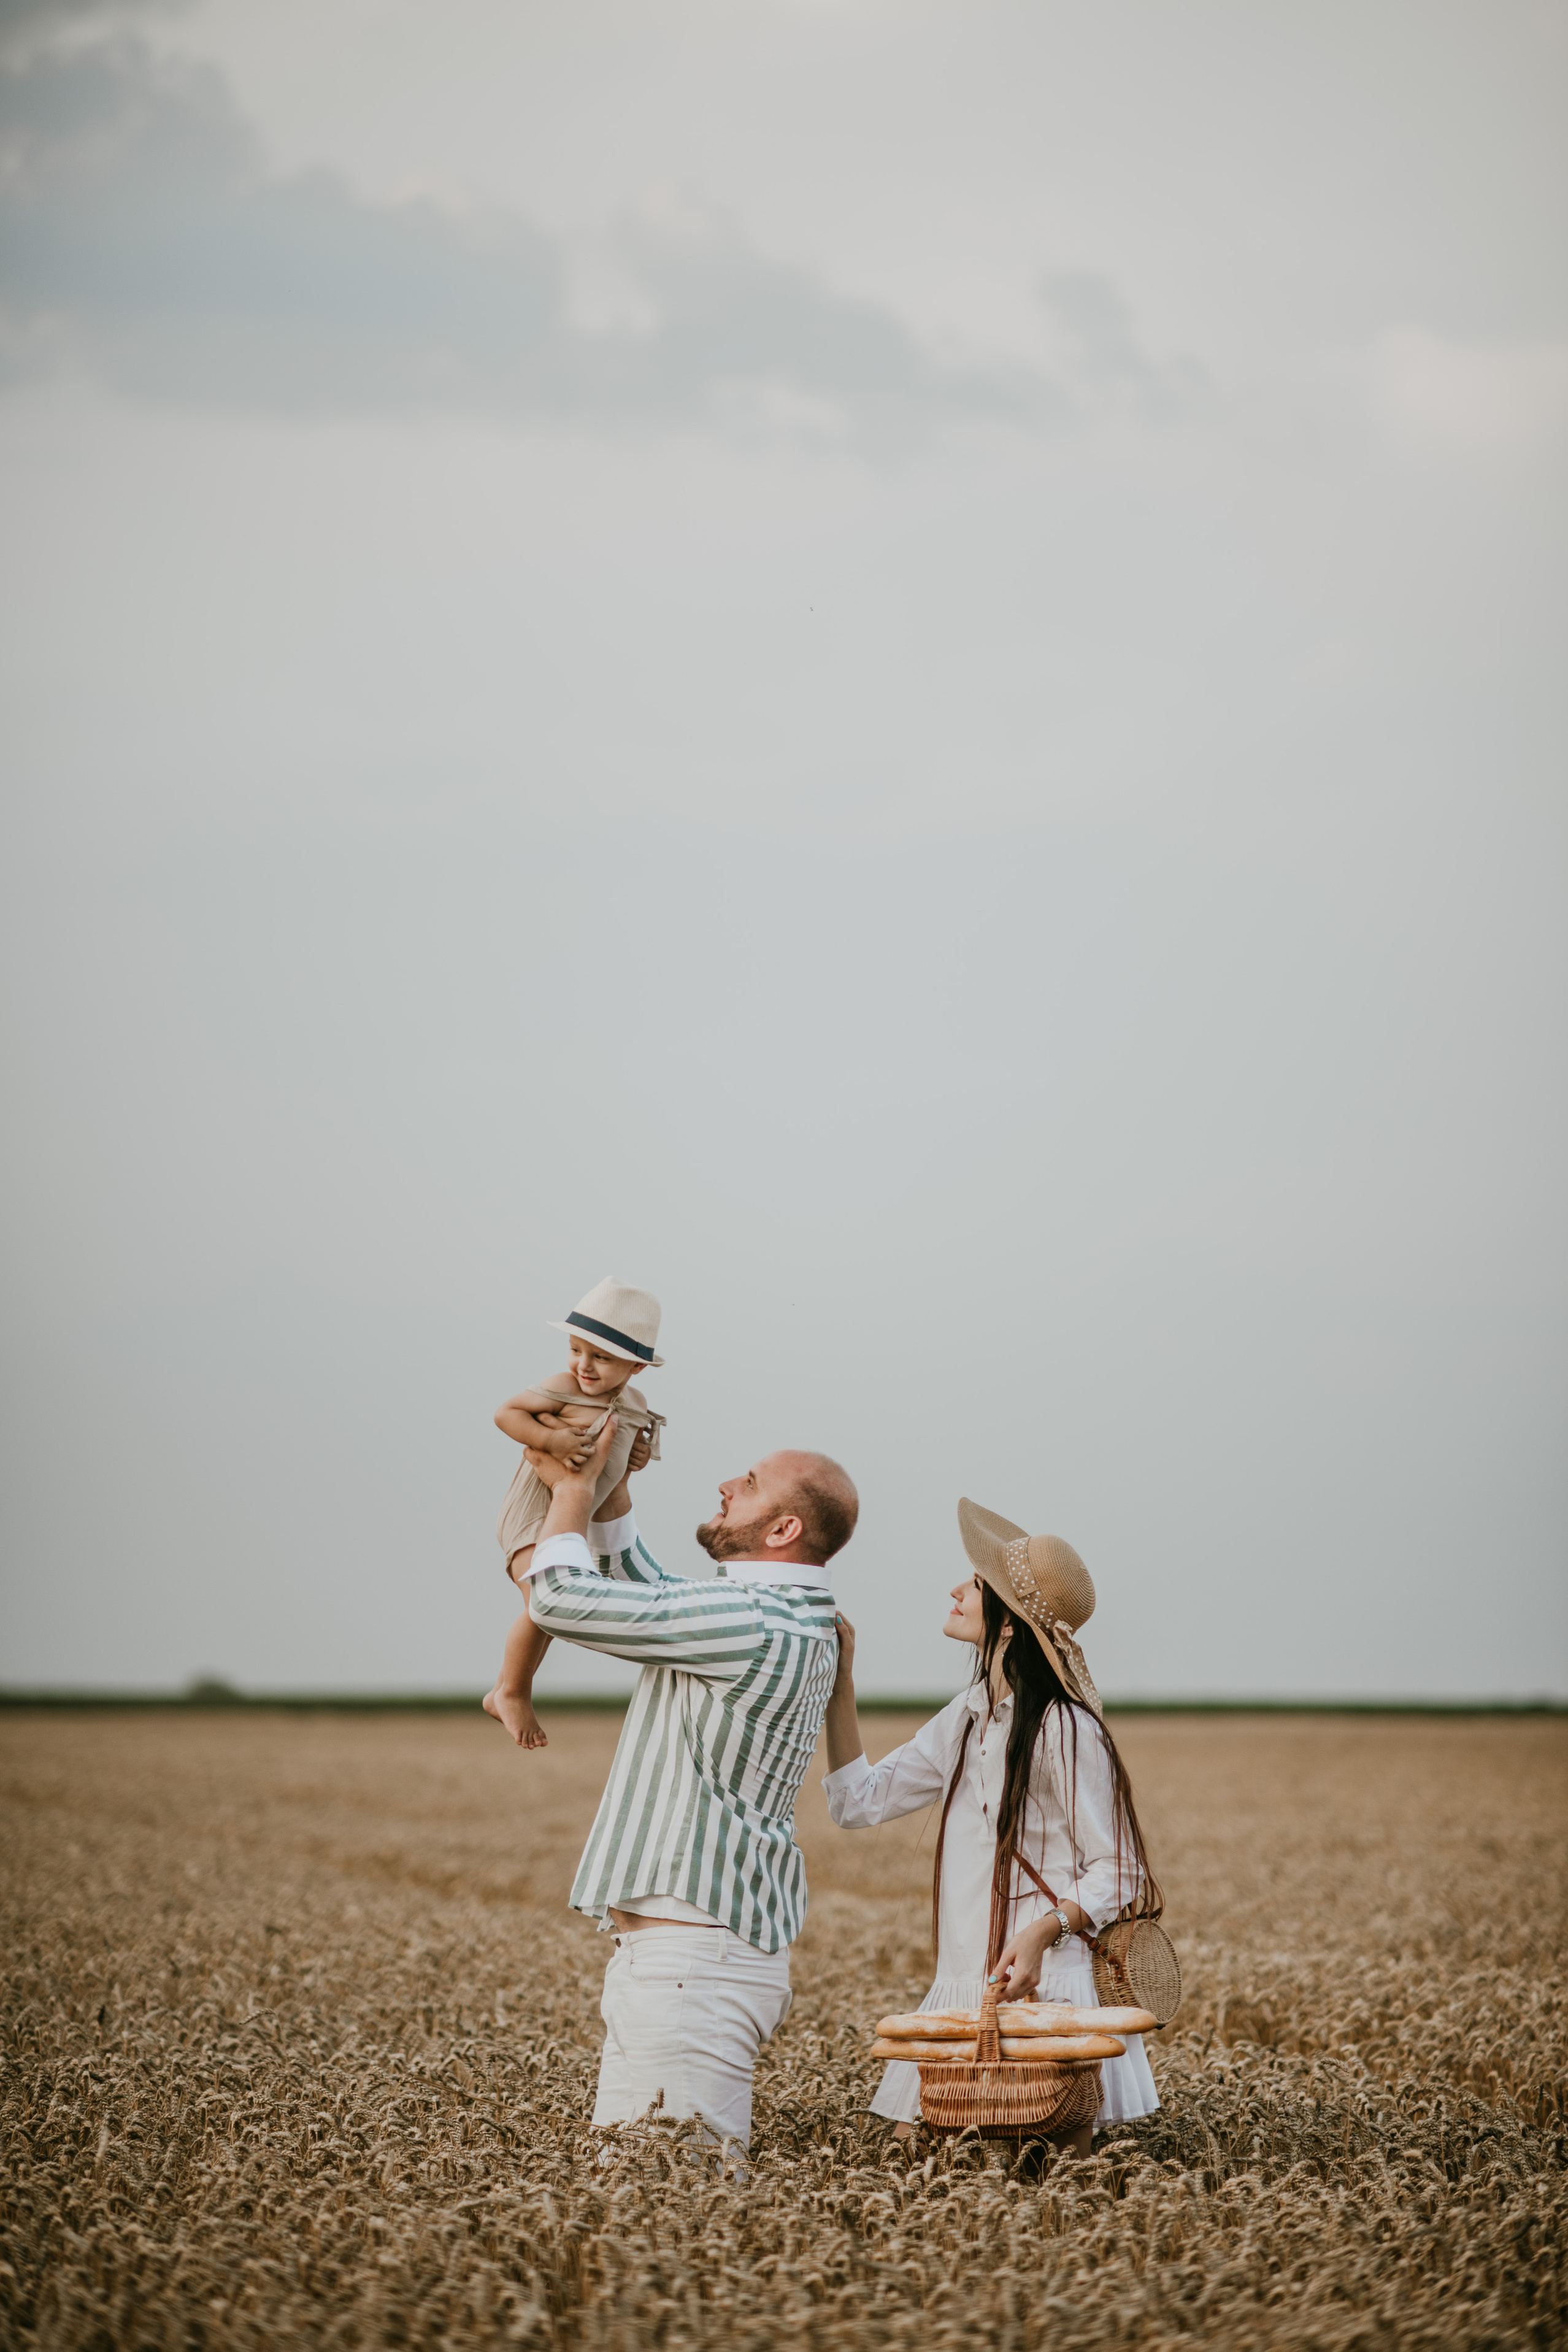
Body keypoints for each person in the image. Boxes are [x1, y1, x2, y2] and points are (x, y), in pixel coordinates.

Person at [512, 1413, 859, 2152]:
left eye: (752, 1483)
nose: (728, 1484)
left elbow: (560, 1600)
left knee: (663, 2210)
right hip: (690, 1962)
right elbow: (655, 1593)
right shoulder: (785, 1613)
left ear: (783, 1529)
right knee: (646, 2206)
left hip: (688, 1973)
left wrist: (573, 1489)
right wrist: (615, 1489)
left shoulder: (751, 1617)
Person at [823, 1496, 1161, 2157]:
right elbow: (856, 1803)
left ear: (1009, 1625)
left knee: (1052, 2187)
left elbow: (1121, 1869)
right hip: (961, 1990)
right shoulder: (968, 1715)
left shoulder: (1066, 1728)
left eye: (974, 1585)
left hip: (1047, 1989)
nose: (955, 1589)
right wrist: (843, 1683)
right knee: (913, 2165)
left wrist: (1040, 1933)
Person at [484, 1278, 666, 1748]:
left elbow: (616, 1458)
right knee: (544, 1603)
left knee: (554, 1614)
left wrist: (635, 1460)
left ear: (637, 1367)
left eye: (600, 1357)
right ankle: (510, 1692)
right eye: (576, 1350)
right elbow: (507, 1413)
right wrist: (550, 1440)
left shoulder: (634, 1404)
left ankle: (511, 1688)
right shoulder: (564, 1388)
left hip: (572, 1521)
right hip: (535, 1509)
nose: (583, 1365)